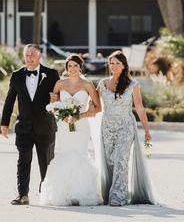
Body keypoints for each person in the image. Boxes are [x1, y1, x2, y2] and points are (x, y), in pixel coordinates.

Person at [0, 44, 60, 205]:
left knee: (46, 161)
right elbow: (9, 100)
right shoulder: (17, 75)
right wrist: (4, 123)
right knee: (23, 160)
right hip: (24, 127)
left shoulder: (52, 74)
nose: (29, 58)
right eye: (27, 55)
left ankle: (46, 193)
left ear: (39, 56)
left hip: (45, 126)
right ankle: (23, 195)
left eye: (32, 54)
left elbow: (59, 97)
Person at [40, 53, 103, 206]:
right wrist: (61, 115)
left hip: (81, 126)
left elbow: (98, 108)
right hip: (63, 126)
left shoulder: (88, 85)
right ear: (66, 68)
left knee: (79, 155)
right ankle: (65, 193)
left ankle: (80, 193)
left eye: (75, 65)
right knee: (64, 155)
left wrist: (78, 117)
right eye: (70, 66)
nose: (73, 68)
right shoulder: (60, 84)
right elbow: (53, 106)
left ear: (80, 67)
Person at [97, 50, 156, 206]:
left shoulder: (133, 84)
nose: (114, 66)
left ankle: (118, 195)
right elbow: (94, 105)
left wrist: (147, 131)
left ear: (124, 66)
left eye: (118, 63)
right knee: (110, 160)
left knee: (120, 158)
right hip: (107, 127)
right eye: (112, 63)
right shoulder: (102, 84)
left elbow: (140, 108)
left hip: (126, 126)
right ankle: (111, 190)